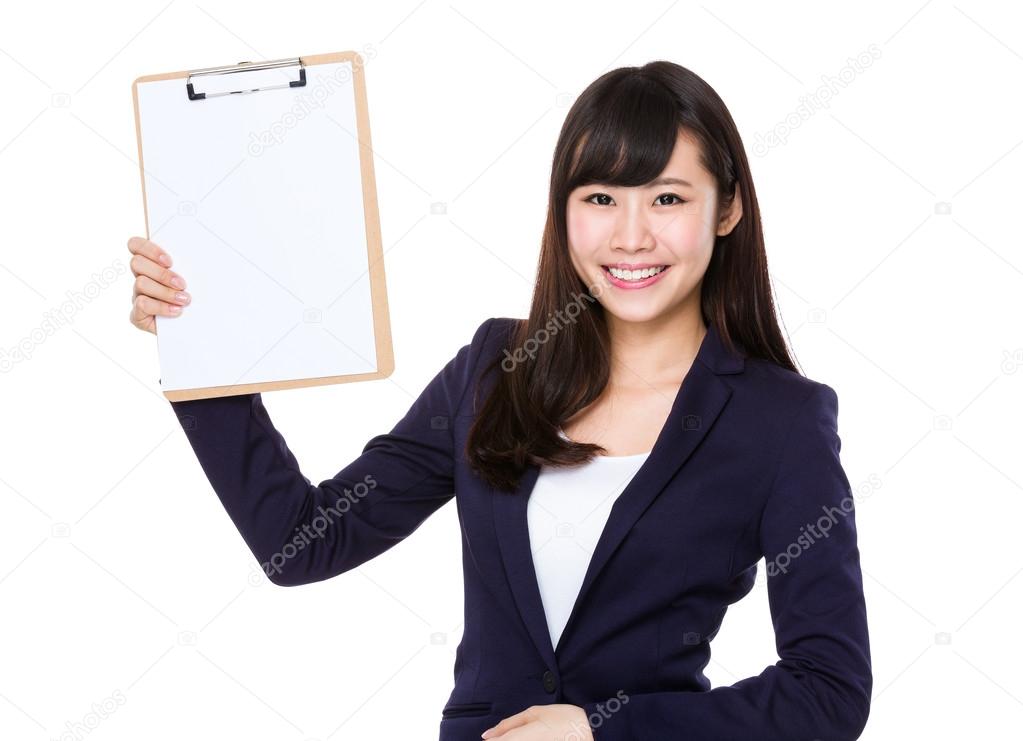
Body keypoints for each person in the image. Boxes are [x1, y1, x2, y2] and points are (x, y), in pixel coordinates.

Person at [128, 60, 872, 740]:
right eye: (600, 197)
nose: (631, 234)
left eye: (668, 197)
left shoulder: (780, 421)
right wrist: (202, 344)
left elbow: (828, 692)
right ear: (563, 210)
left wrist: (602, 731)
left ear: (726, 208)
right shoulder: (496, 369)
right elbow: (301, 543)